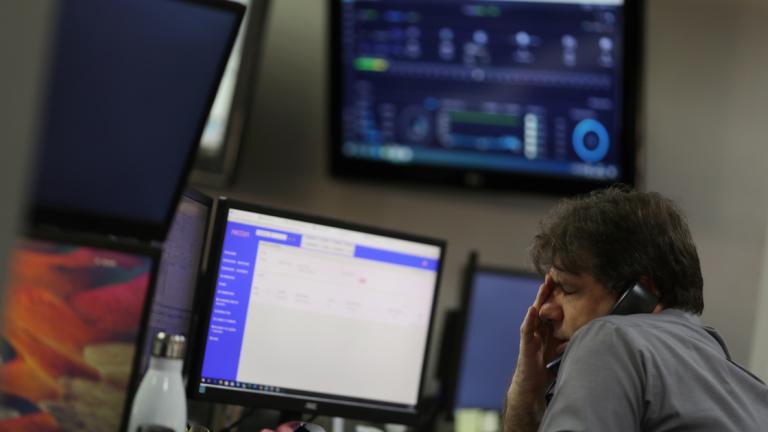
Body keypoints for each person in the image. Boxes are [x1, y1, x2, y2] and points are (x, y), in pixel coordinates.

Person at [503, 187, 768, 431]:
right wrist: (529, 391)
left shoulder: (608, 337)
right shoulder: (750, 391)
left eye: (569, 289)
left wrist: (525, 396)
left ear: (642, 295)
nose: (546, 310)